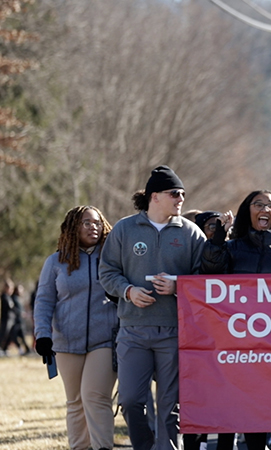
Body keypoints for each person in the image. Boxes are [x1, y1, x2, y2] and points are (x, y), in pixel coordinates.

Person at [99, 165, 206, 450]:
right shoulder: (124, 229)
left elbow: (205, 280)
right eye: (175, 193)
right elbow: (107, 272)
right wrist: (128, 291)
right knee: (131, 400)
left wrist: (178, 287)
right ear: (154, 196)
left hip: (174, 331)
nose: (181, 198)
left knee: (170, 405)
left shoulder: (192, 234)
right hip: (132, 330)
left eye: (183, 193)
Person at [202, 189, 271, 450]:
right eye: (258, 204)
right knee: (249, 409)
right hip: (243, 345)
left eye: (270, 205)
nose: (265, 209)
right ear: (247, 211)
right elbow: (209, 277)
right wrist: (218, 240)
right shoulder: (232, 248)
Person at [34, 205, 118, 450]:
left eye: (97, 223)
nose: (94, 227)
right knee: (75, 401)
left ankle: (102, 446)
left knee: (96, 396)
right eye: (86, 223)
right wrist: (43, 336)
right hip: (67, 342)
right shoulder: (56, 261)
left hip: (105, 340)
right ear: (73, 227)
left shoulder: (112, 258)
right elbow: (44, 301)